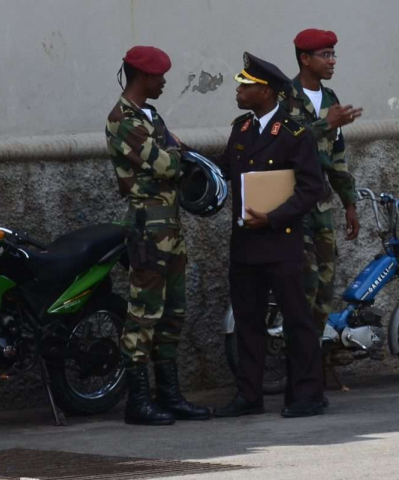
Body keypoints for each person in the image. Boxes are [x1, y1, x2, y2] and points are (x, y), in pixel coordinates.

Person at [212, 53, 326, 418]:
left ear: (266, 91)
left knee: (296, 320)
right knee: (247, 322)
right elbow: (226, 168)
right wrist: (187, 158)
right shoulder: (240, 129)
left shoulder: (295, 134)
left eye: (246, 85)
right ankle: (249, 394)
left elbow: (311, 190)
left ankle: (306, 395)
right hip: (245, 244)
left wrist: (274, 218)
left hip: (280, 243)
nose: (239, 90)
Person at [105, 46, 211, 425]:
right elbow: (167, 163)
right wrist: (176, 153)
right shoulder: (123, 120)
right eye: (159, 76)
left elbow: (172, 157)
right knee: (144, 311)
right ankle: (138, 400)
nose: (164, 82)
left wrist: (175, 152)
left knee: (173, 312)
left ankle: (169, 395)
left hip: (170, 227)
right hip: (148, 228)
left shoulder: (150, 116)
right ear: (142, 77)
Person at [281, 29, 362, 349]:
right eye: (325, 55)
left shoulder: (331, 100)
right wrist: (324, 123)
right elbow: (280, 144)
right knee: (306, 284)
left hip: (322, 206)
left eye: (333, 55)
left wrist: (349, 203)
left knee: (326, 289)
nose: (332, 61)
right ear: (305, 59)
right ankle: (298, 363)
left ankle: (311, 360)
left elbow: (337, 155)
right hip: (292, 203)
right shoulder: (283, 96)